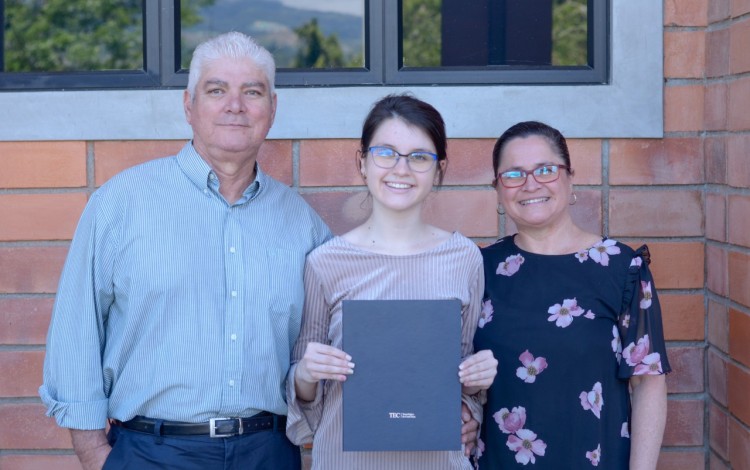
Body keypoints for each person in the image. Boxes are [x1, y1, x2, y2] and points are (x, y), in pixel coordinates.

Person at [39, 32, 331, 470]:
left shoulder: (303, 224)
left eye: (252, 92)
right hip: (150, 452)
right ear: (188, 105)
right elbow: (76, 332)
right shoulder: (122, 203)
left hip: (266, 452)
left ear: (272, 109)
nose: (235, 105)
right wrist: (95, 454)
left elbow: (335, 340)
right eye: (216, 90)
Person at [285, 94, 498, 470]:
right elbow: (306, 401)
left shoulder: (464, 258)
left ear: (438, 170)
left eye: (419, 157)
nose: (401, 169)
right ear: (362, 162)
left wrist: (476, 379)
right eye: (386, 153)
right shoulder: (325, 262)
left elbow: (461, 387)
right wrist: (305, 372)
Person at [473, 121, 670, 469]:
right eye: (513, 174)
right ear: (498, 189)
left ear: (570, 177)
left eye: (546, 170)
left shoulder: (622, 268)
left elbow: (648, 384)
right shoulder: (479, 269)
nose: (531, 184)